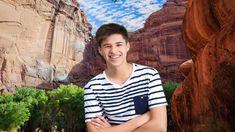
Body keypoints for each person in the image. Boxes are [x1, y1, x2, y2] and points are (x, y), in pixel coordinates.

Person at [84, 23, 167, 132]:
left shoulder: (149, 75)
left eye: (119, 44)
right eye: (107, 46)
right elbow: (94, 131)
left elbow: (159, 127)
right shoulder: (92, 87)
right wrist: (138, 120)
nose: (113, 51)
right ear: (100, 50)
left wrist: (112, 129)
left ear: (127, 46)